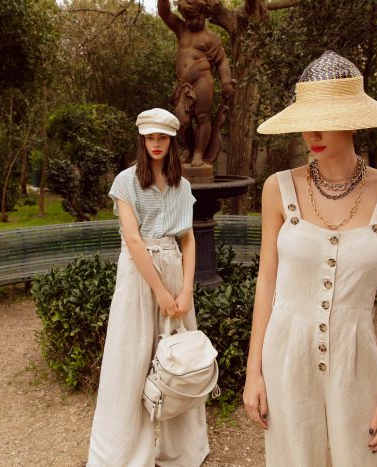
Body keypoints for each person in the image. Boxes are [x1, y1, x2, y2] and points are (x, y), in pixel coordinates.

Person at [243, 51, 377, 466]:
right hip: (286, 354)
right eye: (306, 119)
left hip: (357, 356)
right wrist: (254, 372)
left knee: (368, 459)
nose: (312, 132)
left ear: (354, 121)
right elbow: (267, 281)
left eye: (327, 118)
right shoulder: (278, 189)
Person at [87, 108, 210, 467]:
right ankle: (122, 455)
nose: (156, 144)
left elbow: (188, 240)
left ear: (171, 142)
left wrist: (185, 291)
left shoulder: (182, 186)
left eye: (162, 138)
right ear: (142, 140)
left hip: (173, 268)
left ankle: (182, 451)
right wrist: (159, 290)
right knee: (129, 357)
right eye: (150, 137)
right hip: (138, 274)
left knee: (181, 357)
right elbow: (133, 240)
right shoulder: (126, 182)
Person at [158, 0, 235, 167]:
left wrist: (226, 83)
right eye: (188, 18)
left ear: (205, 14)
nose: (191, 22)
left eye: (195, 18)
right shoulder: (181, 29)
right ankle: (190, 149)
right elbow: (164, 13)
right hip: (183, 83)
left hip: (202, 79)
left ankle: (198, 153)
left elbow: (222, 62)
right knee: (181, 121)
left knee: (202, 117)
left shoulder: (211, 38)